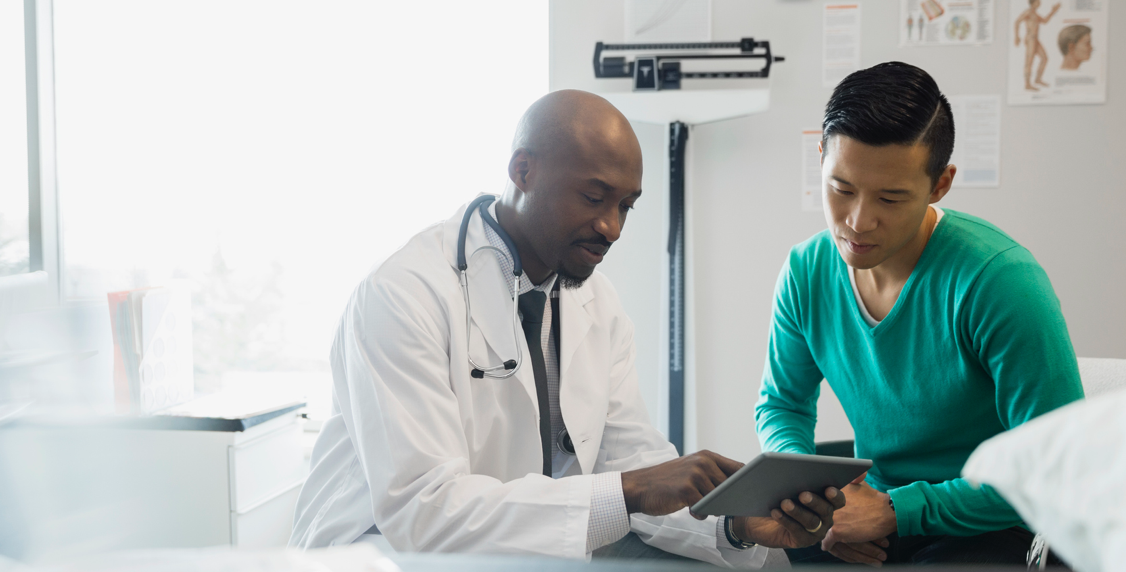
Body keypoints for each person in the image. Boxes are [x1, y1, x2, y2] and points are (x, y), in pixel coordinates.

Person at [291, 90, 843, 564]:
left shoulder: (596, 305)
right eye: (594, 196)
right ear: (523, 171)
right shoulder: (404, 294)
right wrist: (630, 490)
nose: (612, 227)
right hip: (381, 552)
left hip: (519, 551)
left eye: (627, 206)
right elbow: (424, 514)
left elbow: (628, 463)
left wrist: (734, 523)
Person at [755, 62, 1084, 566]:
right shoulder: (806, 271)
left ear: (940, 185)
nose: (858, 222)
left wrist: (896, 510)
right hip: (873, 508)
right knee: (744, 554)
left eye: (890, 197)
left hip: (992, 523)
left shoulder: (1001, 281)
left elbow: (1057, 469)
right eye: (841, 189)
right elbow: (781, 405)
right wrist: (816, 501)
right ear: (820, 158)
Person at [1014, 0, 1061, 90]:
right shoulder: (1028, 12)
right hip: (1030, 39)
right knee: (1029, 61)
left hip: (1035, 39)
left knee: (1044, 58)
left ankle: (1037, 79)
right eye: (1037, 1)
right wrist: (1016, 37)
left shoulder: (1035, 13)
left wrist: (1053, 11)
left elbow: (1045, 21)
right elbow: (1017, 22)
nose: (1039, 3)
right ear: (1033, 2)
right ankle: (1027, 84)